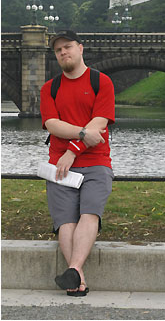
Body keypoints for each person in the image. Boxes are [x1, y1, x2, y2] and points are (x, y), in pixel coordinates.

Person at [40, 30, 115, 296]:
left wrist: (72, 150)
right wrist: (82, 135)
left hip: (95, 162)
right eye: (58, 50)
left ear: (80, 48)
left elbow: (100, 123)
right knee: (65, 220)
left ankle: (73, 273)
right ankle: (77, 275)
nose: (63, 53)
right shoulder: (50, 88)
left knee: (89, 213)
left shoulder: (101, 82)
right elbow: (52, 124)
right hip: (59, 166)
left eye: (67, 47)